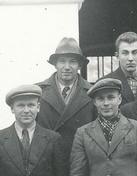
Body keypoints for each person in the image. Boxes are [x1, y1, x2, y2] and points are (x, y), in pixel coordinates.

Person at [36, 37, 94, 167]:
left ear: (79, 65)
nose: (67, 67)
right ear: (55, 64)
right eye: (62, 61)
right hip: (46, 163)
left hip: (79, 163)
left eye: (72, 62)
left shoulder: (92, 93)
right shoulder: (38, 92)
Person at [98, 32, 137, 103]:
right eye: (125, 53)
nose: (130, 58)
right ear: (117, 56)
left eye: (135, 53)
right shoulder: (105, 82)